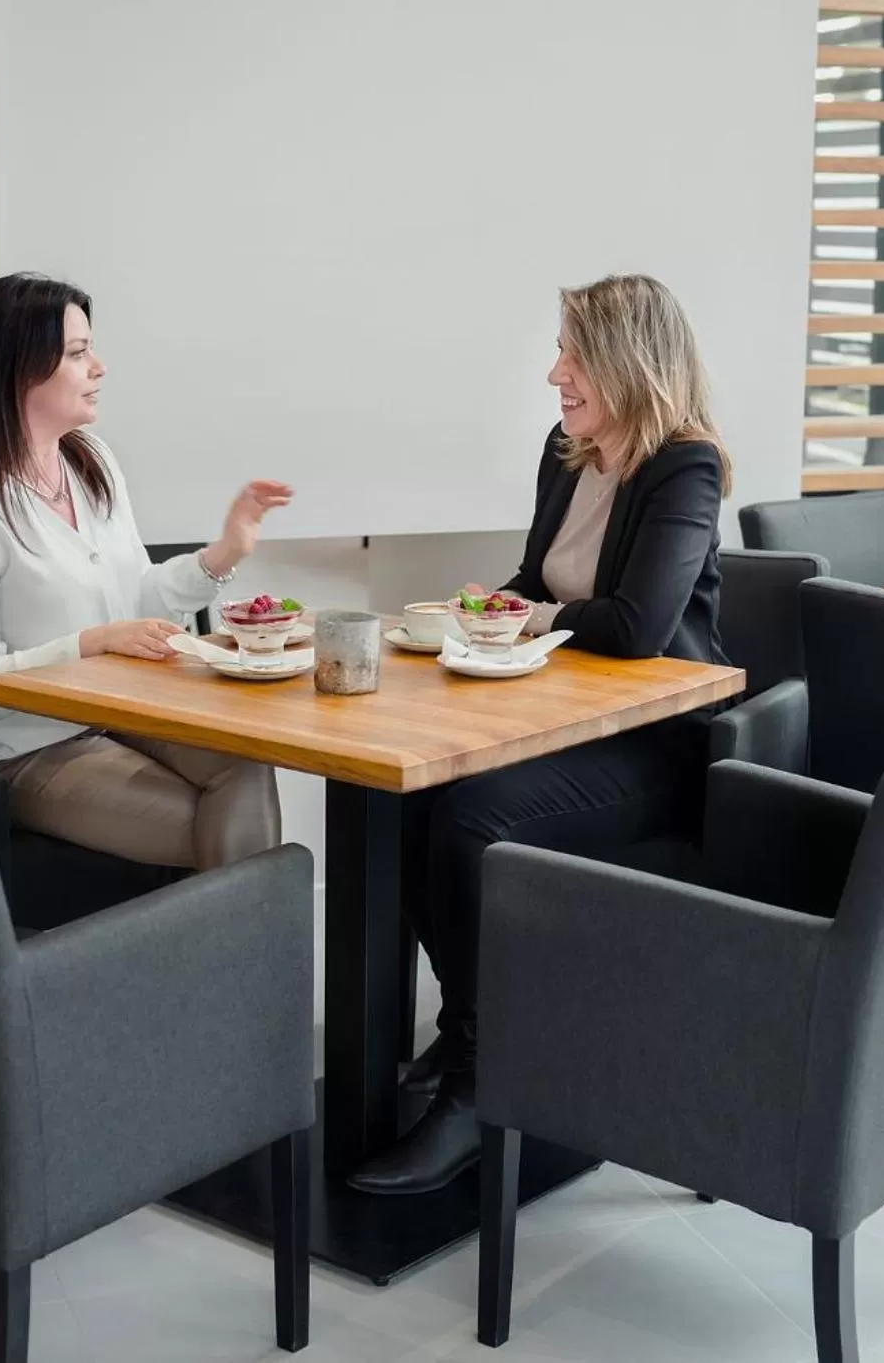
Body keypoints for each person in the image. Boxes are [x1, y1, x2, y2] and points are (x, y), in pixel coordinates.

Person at [347, 273, 732, 1194]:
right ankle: (471, 1031)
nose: (555, 372)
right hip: (561, 721)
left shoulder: (686, 464)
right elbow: (534, 581)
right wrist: (471, 609)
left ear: (626, 363)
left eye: (573, 353)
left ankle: (481, 1088)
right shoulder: (567, 453)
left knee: (469, 818)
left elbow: (638, 626)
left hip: (657, 743)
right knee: (408, 792)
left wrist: (524, 620)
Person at [0, 273, 293, 871]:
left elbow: (138, 598)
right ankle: (242, 956)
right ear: (20, 369)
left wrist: (226, 551)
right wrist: (90, 645)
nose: (99, 367)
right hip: (33, 747)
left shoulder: (93, 465)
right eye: (78, 353)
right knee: (217, 824)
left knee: (249, 759)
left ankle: (235, 954)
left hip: (126, 712)